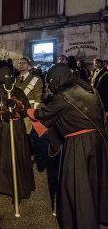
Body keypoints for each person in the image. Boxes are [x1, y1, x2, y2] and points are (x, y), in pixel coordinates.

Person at [27, 64, 108, 229]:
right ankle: (101, 214)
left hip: (78, 144)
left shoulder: (62, 95)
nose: (51, 86)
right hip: (98, 141)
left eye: (51, 82)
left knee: (78, 185)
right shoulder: (90, 90)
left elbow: (44, 115)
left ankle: (84, 221)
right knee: (96, 180)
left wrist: (25, 111)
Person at [0, 66, 35, 200]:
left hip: (16, 130)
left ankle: (17, 190)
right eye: (4, 76)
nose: (8, 79)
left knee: (16, 157)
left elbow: (26, 110)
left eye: (10, 76)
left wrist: (17, 105)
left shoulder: (19, 92)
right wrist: (1, 115)